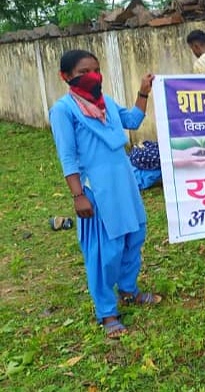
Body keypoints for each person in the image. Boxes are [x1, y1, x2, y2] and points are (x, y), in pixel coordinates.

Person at [49, 49, 162, 339]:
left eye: (96, 70)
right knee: (104, 251)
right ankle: (107, 312)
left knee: (134, 236)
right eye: (83, 72)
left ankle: (128, 289)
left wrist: (143, 92)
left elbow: (133, 120)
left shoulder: (106, 103)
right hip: (97, 189)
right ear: (66, 77)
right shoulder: (64, 110)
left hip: (125, 183)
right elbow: (68, 156)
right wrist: (78, 195)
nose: (92, 77)